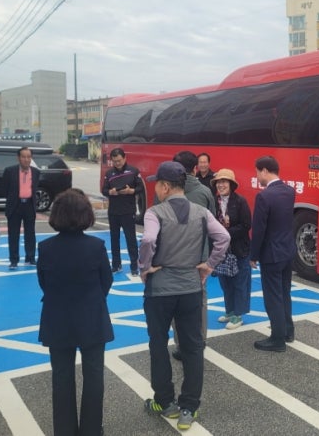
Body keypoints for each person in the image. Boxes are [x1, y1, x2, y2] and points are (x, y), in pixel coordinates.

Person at [139, 161, 229, 431]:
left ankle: (165, 402)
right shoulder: (201, 212)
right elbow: (223, 237)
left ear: (165, 186)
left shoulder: (154, 213)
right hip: (191, 288)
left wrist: (146, 268)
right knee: (192, 347)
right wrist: (209, 264)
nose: (156, 188)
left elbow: (148, 241)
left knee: (158, 343)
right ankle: (189, 407)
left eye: (157, 184)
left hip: (160, 290)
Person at [38, 189, 114, 436]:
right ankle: (91, 429)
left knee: (61, 377)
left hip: (57, 317)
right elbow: (107, 280)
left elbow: (44, 282)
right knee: (93, 376)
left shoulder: (46, 247)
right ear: (86, 215)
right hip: (91, 316)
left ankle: (64, 429)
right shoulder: (96, 246)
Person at [170, 151, 215, 361]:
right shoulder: (205, 192)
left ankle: (181, 344)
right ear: (195, 168)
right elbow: (214, 228)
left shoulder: (165, 192)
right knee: (200, 299)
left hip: (171, 258)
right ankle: (200, 341)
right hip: (200, 256)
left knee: (176, 300)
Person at [249, 155, 296, 352]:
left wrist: (253, 255)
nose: (257, 176)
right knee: (285, 293)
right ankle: (288, 331)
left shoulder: (264, 196)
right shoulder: (289, 191)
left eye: (257, 172)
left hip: (271, 254)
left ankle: (277, 339)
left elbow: (258, 229)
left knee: (273, 297)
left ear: (265, 171)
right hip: (287, 251)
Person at [210, 168, 252, 330]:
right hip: (221, 250)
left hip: (239, 249)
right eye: (219, 182)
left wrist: (225, 231)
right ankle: (229, 311)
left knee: (240, 281)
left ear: (231, 184)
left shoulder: (240, 201)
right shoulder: (214, 201)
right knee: (225, 281)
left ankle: (238, 315)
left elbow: (247, 225)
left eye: (224, 182)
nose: (221, 185)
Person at [101, 147, 144, 275]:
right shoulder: (109, 174)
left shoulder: (133, 171)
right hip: (113, 211)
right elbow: (104, 190)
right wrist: (110, 192)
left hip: (128, 210)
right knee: (114, 239)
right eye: (114, 161)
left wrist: (132, 191)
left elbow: (140, 187)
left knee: (131, 239)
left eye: (119, 160)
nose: (117, 163)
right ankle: (116, 264)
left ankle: (134, 266)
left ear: (124, 158)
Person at [3, 147, 40, 269]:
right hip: (15, 205)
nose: (26, 159)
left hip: (29, 204)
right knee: (13, 234)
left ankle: (30, 258)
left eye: (29, 157)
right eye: (23, 157)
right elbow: (6, 189)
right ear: (18, 158)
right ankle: (13, 260)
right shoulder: (10, 171)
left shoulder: (36, 172)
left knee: (30, 233)